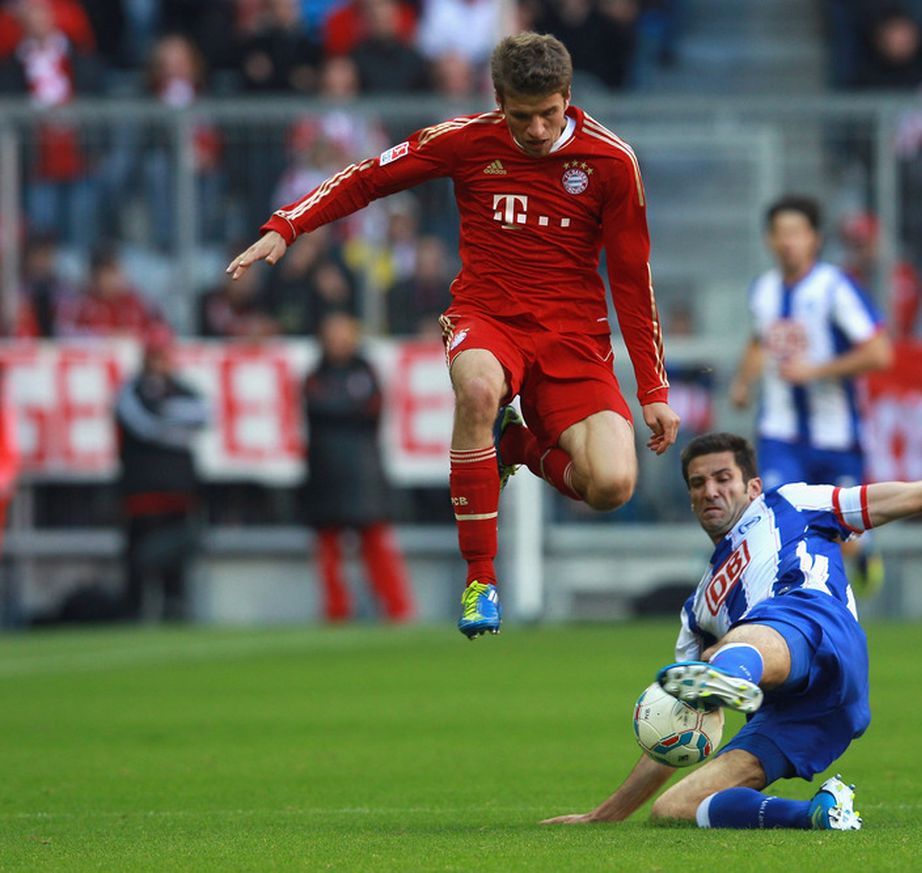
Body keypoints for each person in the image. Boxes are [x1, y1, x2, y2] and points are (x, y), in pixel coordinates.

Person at [228, 33, 677, 638]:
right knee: (477, 392)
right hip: (487, 316)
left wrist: (652, 387)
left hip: (574, 339)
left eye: (550, 113)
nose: (539, 130)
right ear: (499, 99)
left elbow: (631, 275)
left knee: (611, 486)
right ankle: (480, 580)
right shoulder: (466, 140)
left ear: (568, 97)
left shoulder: (611, 161)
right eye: (523, 116)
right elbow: (368, 177)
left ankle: (516, 448)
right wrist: (288, 224)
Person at [542, 431, 922, 830]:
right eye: (697, 483)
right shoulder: (698, 608)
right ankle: (819, 814)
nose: (710, 491)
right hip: (805, 709)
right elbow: (674, 727)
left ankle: (730, 676)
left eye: (723, 478)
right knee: (679, 810)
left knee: (750, 636)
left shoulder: (793, 504)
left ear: (752, 485)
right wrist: (605, 814)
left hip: (817, 626)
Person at [728, 195, 892, 592]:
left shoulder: (835, 288)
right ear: (769, 239)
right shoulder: (763, 291)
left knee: (843, 530)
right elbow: (759, 339)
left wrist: (816, 371)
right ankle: (796, 602)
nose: (788, 242)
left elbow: (879, 352)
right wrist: (743, 381)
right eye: (781, 233)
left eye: (796, 233)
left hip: (836, 434)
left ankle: (861, 555)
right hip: (780, 433)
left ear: (814, 238)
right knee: (781, 521)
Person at [302, 312, 414, 623]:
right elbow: (324, 408)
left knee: (377, 542)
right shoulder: (314, 375)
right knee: (328, 549)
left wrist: (339, 409)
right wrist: (347, 409)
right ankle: (336, 610)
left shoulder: (365, 372)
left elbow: (365, 409)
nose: (338, 341)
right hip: (325, 471)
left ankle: (397, 608)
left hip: (363, 472)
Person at [114, 328, 208, 621]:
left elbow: (204, 414)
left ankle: (174, 606)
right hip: (142, 487)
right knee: (139, 551)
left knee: (175, 553)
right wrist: (173, 423)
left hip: (178, 488)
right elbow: (143, 425)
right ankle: (135, 609)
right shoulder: (132, 390)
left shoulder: (184, 388)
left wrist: (163, 414)